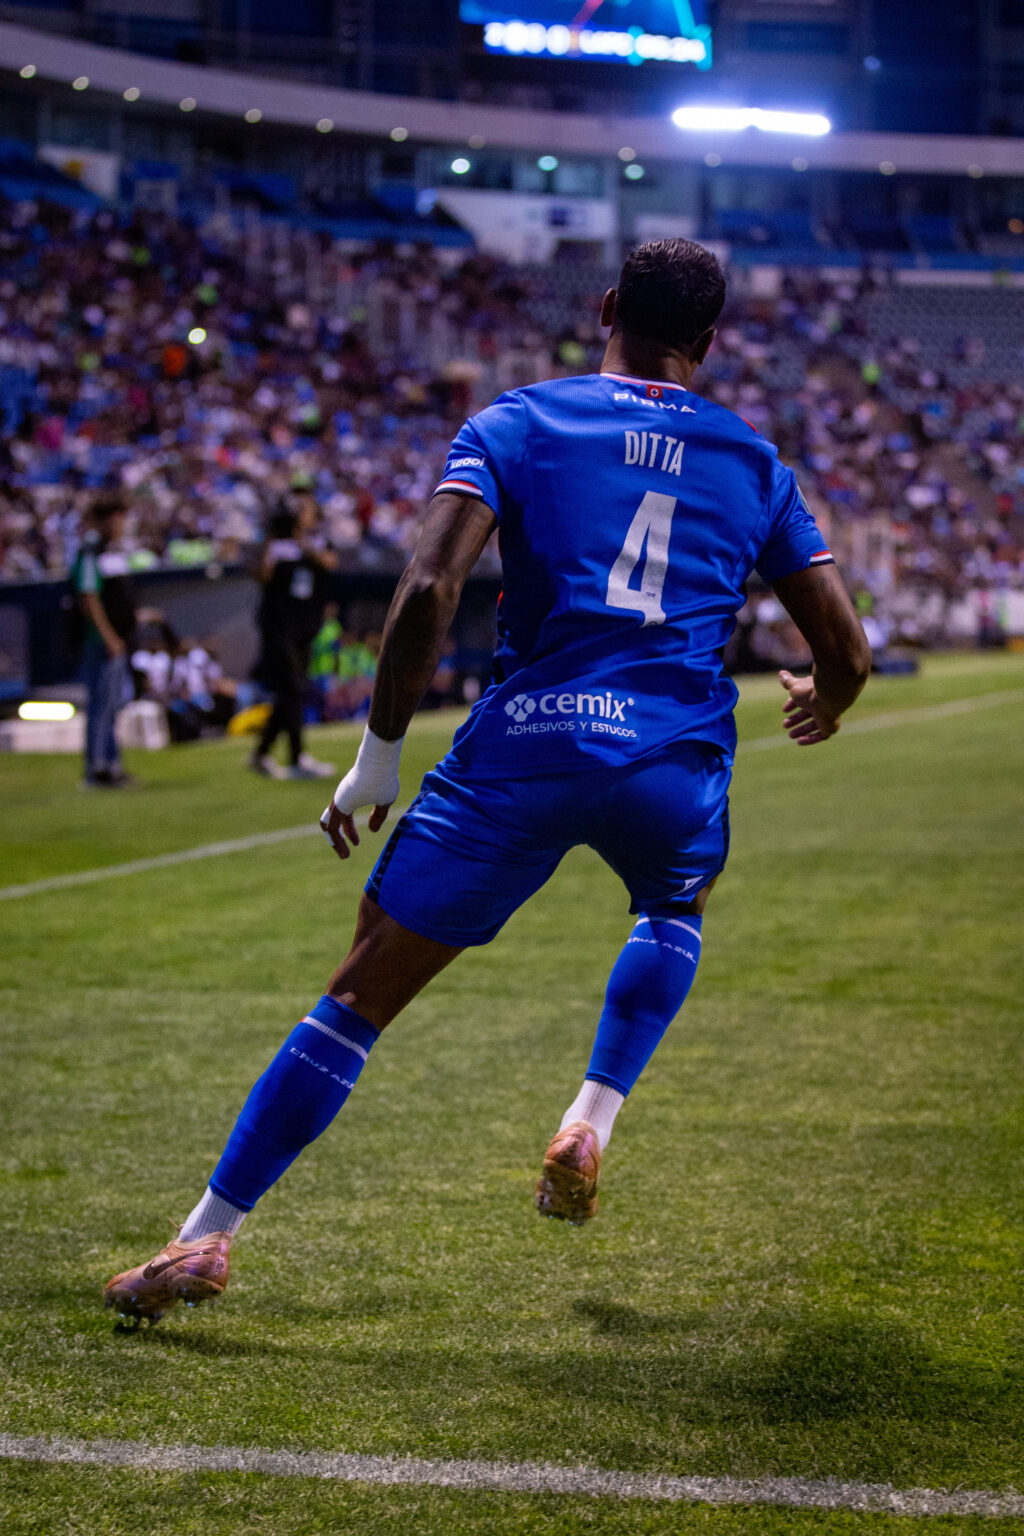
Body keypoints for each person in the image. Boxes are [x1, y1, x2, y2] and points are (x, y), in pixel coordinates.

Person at [105, 240, 871, 1321]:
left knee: (361, 992)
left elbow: (425, 587)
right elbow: (843, 647)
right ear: (707, 343)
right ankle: (589, 1119)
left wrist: (376, 755)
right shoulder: (752, 461)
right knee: (673, 903)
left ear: (604, 307)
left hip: (526, 747)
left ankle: (206, 1239)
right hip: (666, 760)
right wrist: (825, 701)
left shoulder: (518, 421)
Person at [250, 501, 335, 780]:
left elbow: (329, 564)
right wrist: (273, 541)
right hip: (279, 631)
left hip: (303, 631)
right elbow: (261, 576)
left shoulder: (312, 545)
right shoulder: (275, 549)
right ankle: (297, 756)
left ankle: (261, 754)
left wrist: (304, 544)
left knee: (290, 694)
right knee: (293, 690)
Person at [71, 493, 138, 788]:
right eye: (118, 518)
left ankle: (111, 764)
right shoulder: (90, 551)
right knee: (101, 706)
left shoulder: (109, 551)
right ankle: (96, 767)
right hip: (102, 642)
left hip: (117, 639)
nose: (121, 524)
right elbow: (89, 597)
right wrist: (109, 636)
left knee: (112, 707)